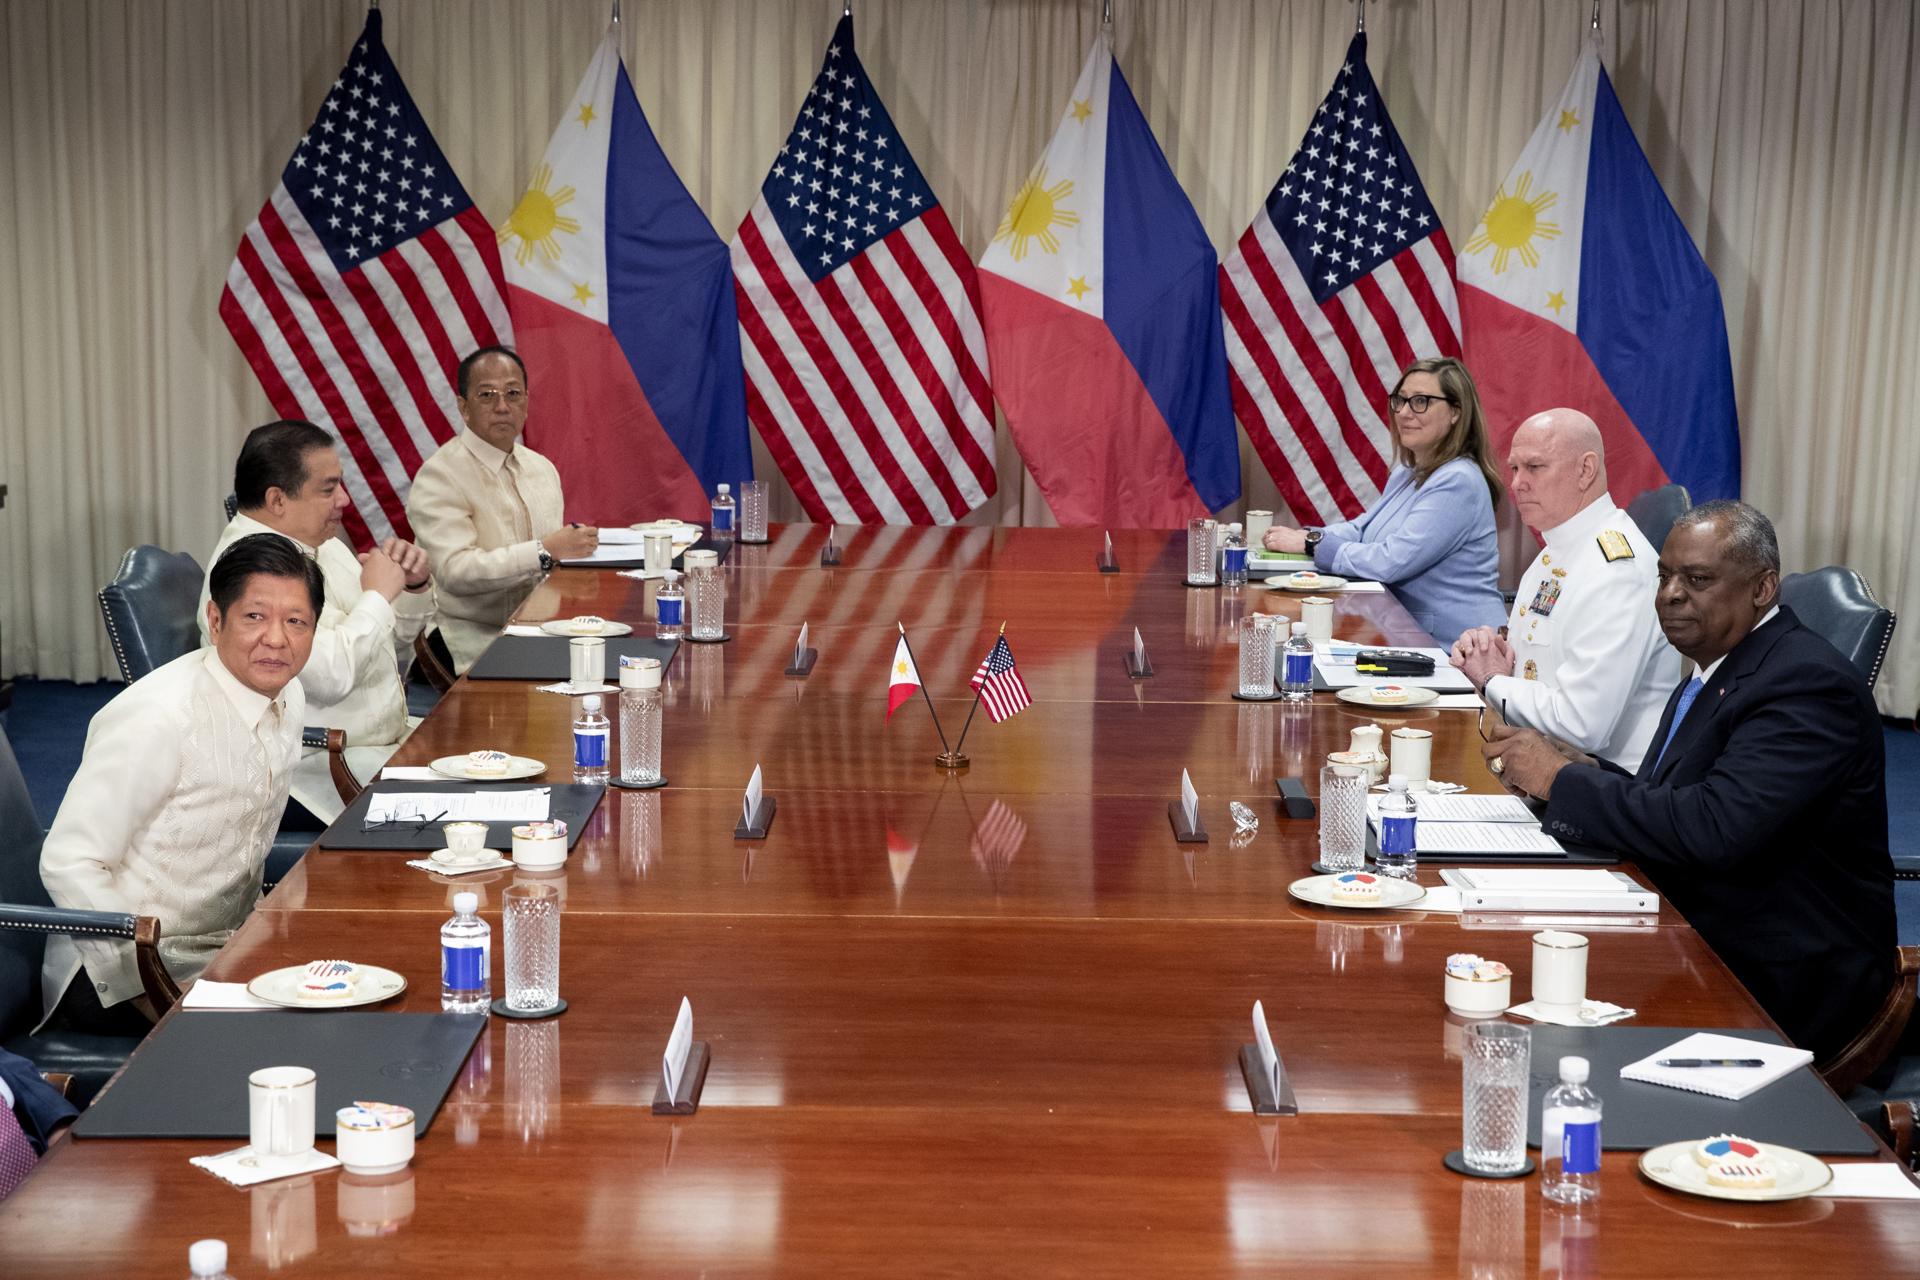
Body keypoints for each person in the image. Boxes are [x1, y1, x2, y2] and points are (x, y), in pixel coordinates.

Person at [1483, 502, 1894, 1060]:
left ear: (1762, 588)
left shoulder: (1807, 686)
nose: (1670, 595)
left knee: (1527, 1034)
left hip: (1776, 978)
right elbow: (1685, 800)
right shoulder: (1719, 668)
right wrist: (1586, 772)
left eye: (1697, 579)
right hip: (1698, 927)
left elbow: (1715, 828)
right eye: (1665, 576)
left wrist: (1562, 781)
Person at [39, 534, 322, 1035]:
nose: (277, 639)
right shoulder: (158, 717)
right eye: (254, 617)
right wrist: (144, 981)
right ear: (215, 621)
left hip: (226, 946)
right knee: (298, 1034)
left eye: (295, 621)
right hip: (119, 977)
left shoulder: (289, 695)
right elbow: (68, 859)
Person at [198, 420, 435, 820]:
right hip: (311, 768)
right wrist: (378, 595)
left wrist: (409, 588)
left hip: (374, 744)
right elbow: (332, 678)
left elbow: (390, 651)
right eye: (328, 489)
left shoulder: (319, 544)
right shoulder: (250, 569)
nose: (343, 500)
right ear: (277, 500)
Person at [1451, 409, 1679, 771]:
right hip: (1539, 769)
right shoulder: (1560, 550)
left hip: (1601, 795)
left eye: (1535, 467)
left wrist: (1492, 680)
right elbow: (1539, 667)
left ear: (1585, 470)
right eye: (1514, 468)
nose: (1517, 483)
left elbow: (1581, 725)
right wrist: (1492, 654)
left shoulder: (1615, 570)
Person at [1261, 357, 1505, 646]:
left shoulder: (1458, 481)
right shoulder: (1408, 471)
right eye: (1399, 400)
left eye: (1421, 401)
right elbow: (1362, 529)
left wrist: (1311, 545)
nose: (1403, 412)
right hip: (1406, 634)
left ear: (1456, 412)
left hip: (1457, 647)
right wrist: (1309, 537)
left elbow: (1391, 561)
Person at [407, 346, 598, 671]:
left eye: (513, 394)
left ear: (526, 402)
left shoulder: (542, 469)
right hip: (473, 640)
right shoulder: (440, 475)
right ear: (463, 407)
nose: (501, 407)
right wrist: (544, 551)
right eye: (487, 395)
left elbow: (554, 561)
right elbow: (455, 572)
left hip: (547, 630)